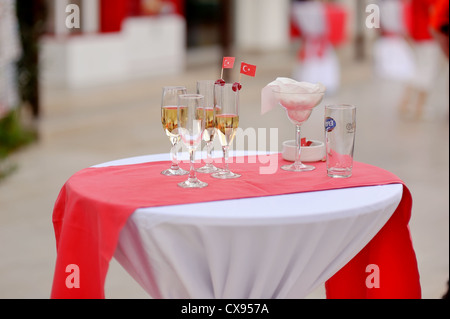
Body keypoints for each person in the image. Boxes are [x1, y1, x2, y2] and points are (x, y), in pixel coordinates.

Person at [397, 0, 444, 120]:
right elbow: (435, 11)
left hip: (418, 33)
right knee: (427, 71)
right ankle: (419, 106)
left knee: (421, 69)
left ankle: (407, 103)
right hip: (428, 35)